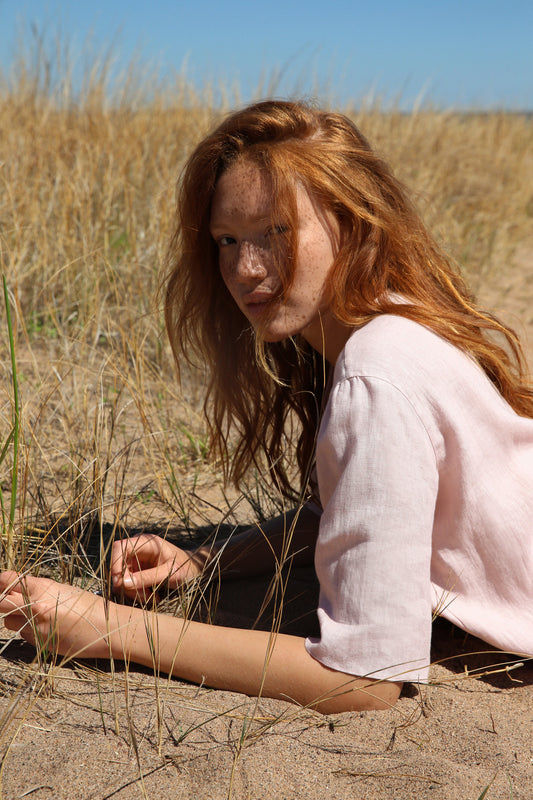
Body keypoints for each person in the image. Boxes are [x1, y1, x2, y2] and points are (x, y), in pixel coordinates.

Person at [1, 100, 532, 715]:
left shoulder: (379, 371)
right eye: (228, 239)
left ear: (352, 220)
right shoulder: (394, 318)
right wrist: (205, 560)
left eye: (277, 232)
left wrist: (107, 628)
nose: (246, 269)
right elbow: (352, 511)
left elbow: (364, 678)